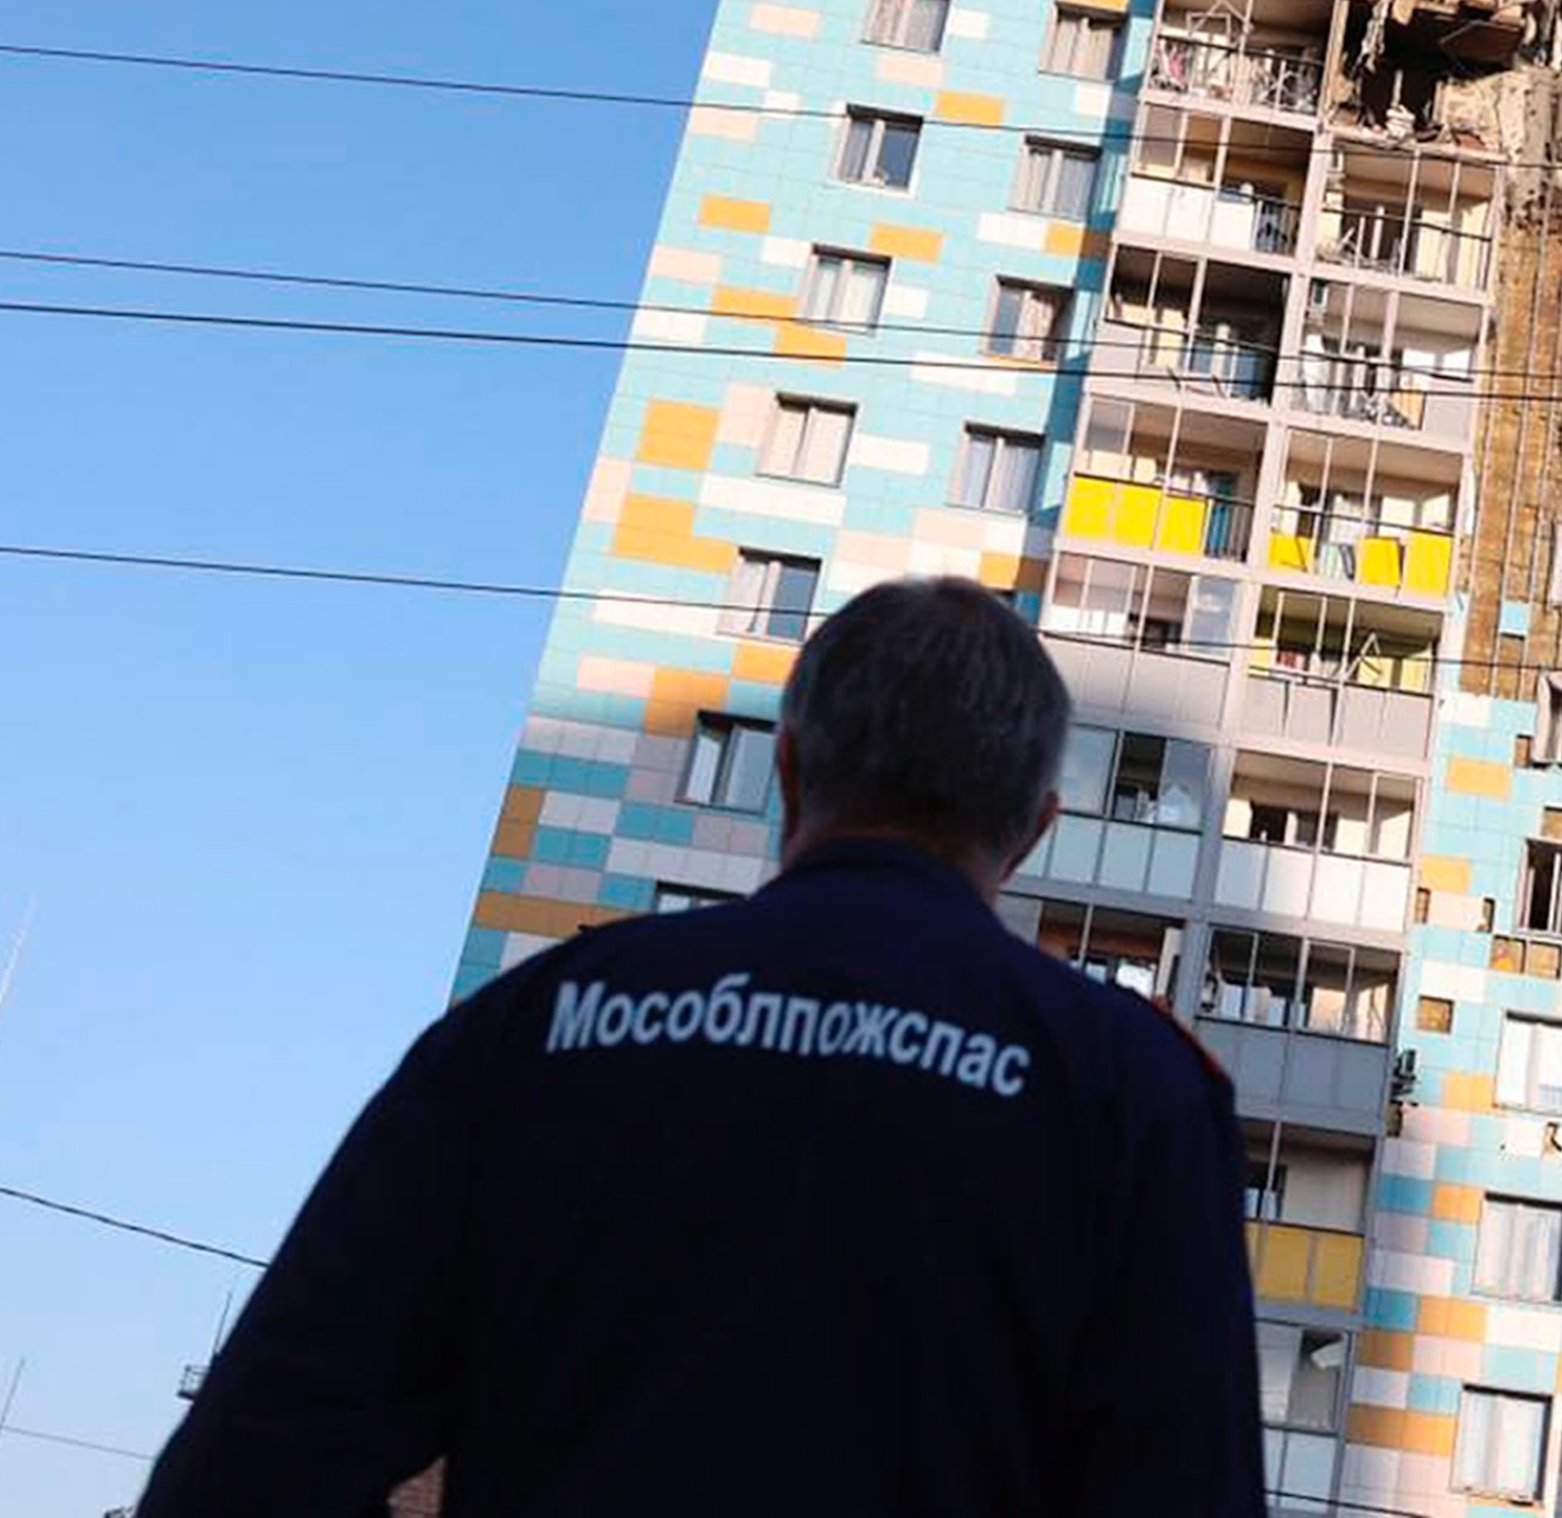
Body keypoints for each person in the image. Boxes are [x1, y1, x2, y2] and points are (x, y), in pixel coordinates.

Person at [140, 577, 1267, 1516]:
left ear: (786, 770)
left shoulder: (533, 1027)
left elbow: (249, 1463)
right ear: (1031, 827)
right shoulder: (1136, 1093)